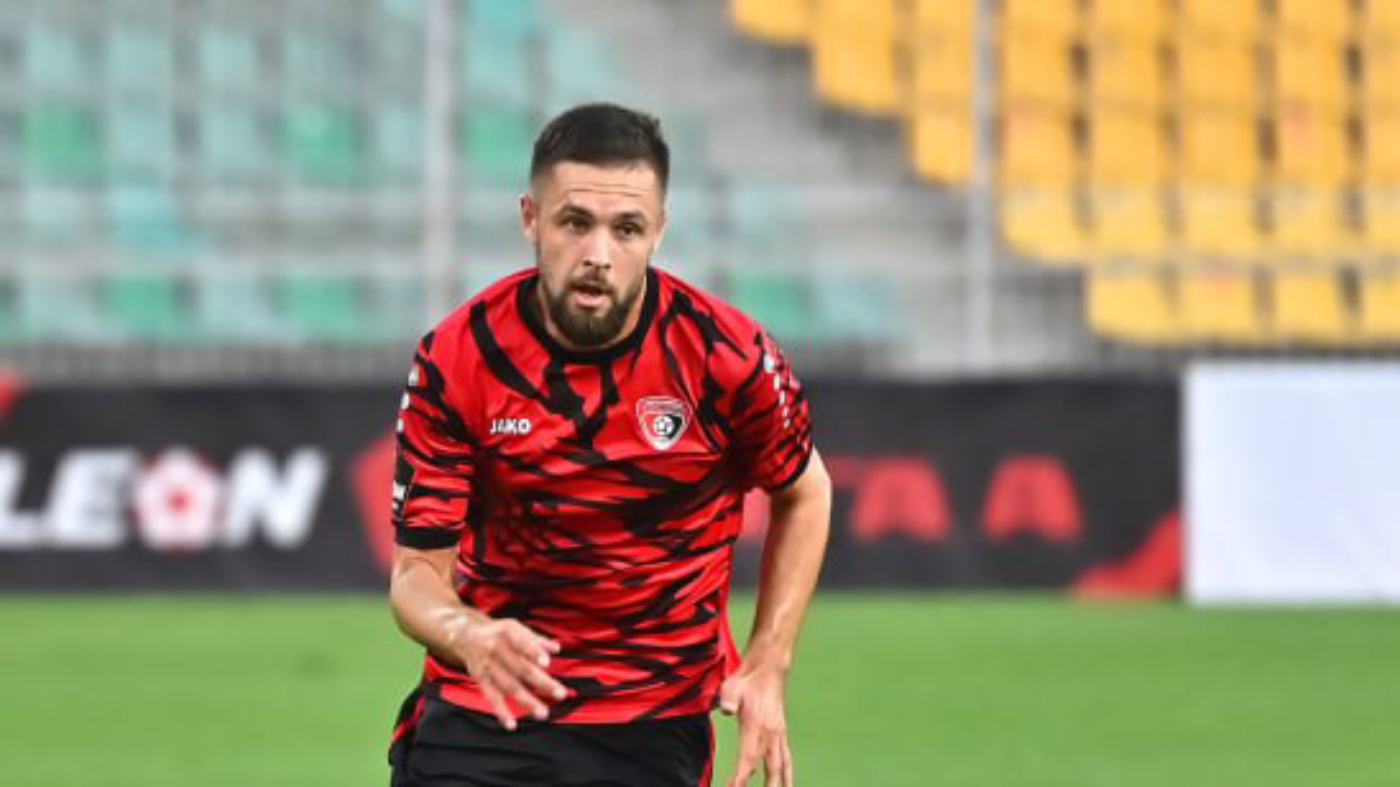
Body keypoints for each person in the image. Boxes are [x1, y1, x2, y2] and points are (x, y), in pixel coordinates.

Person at [386, 102, 831, 787]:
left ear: (659, 231)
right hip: (486, 712)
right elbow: (416, 575)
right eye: (575, 222)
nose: (598, 254)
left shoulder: (727, 356)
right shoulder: (460, 356)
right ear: (531, 218)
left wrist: (769, 662)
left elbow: (806, 491)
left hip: (652, 724)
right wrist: (467, 632)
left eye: (626, 228)